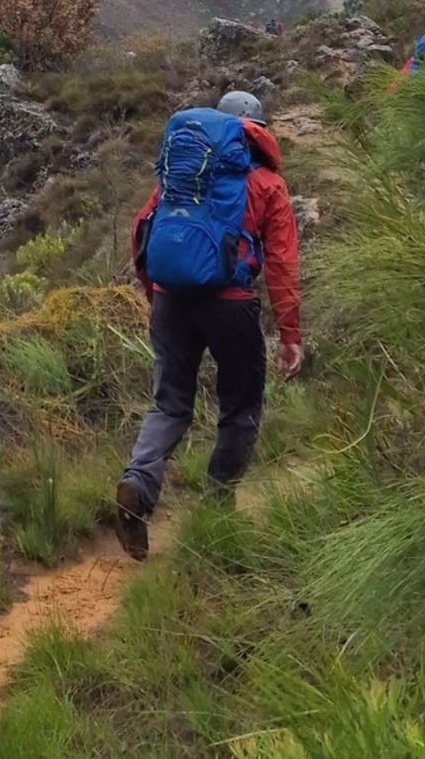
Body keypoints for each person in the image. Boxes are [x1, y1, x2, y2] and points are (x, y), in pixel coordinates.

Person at [114, 90, 301, 559]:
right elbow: (281, 263)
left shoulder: (187, 173)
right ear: (259, 129)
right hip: (231, 305)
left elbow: (144, 228)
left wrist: (153, 297)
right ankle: (217, 512)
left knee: (170, 404)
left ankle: (138, 485)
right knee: (239, 407)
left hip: (170, 299)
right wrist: (289, 335)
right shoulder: (267, 185)